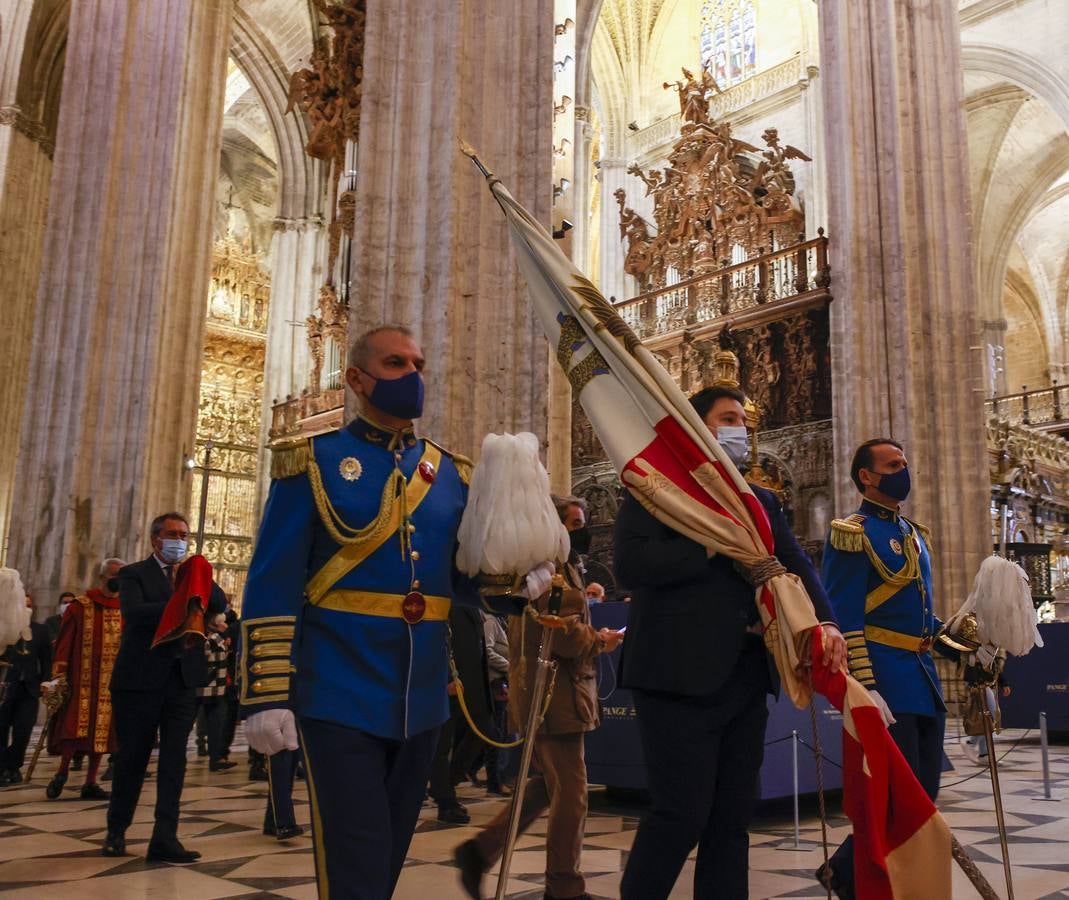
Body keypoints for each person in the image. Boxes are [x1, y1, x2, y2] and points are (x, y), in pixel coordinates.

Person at [240, 325, 530, 899]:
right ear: (356, 378)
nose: (412, 376)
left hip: (420, 696)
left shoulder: (450, 474)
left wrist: (519, 579)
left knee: (391, 849)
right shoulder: (314, 462)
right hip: (338, 690)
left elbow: (466, 584)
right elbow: (273, 580)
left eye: (418, 363)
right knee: (357, 855)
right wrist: (268, 693)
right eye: (396, 363)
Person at [613, 386, 845, 900]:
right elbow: (631, 567)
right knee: (680, 814)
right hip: (676, 672)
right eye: (727, 418)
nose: (739, 427)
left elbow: (795, 562)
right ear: (698, 427)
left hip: (744, 672)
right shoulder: (656, 486)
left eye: (743, 419)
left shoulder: (760, 500)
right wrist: (717, 543)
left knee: (731, 820)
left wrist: (827, 624)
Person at [455, 495, 624, 900]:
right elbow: (560, 633)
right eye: (576, 524)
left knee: (547, 787)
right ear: (555, 525)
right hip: (556, 693)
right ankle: (564, 886)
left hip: (553, 691)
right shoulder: (550, 569)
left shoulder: (547, 566)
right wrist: (600, 639)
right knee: (574, 793)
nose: (581, 532)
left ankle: (480, 850)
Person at [819, 438, 955, 899]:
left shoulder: (914, 533)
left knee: (923, 795)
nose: (904, 470)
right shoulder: (852, 532)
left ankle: (844, 871)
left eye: (904, 462)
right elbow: (844, 616)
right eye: (893, 464)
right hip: (887, 683)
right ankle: (866, 880)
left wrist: (962, 644)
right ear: (867, 476)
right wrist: (865, 685)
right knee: (897, 800)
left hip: (922, 677)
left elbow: (919, 617)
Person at [103, 512, 227, 862]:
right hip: (140, 680)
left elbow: (217, 604)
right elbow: (137, 614)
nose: (179, 540)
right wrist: (185, 602)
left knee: (175, 761)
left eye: (184, 534)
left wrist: (198, 579)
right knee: (133, 758)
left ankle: (165, 837)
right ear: (156, 539)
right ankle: (117, 830)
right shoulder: (133, 574)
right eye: (173, 534)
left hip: (182, 680)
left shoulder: (190, 575)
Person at [44, 558, 125, 800]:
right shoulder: (80, 606)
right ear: (102, 577)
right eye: (114, 576)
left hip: (111, 684)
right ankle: (62, 772)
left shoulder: (125, 608)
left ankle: (91, 781)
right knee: (73, 727)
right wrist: (59, 676)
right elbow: (64, 643)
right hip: (82, 679)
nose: (117, 581)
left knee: (103, 734)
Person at [428, 605, 493, 824]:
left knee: (486, 730)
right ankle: (445, 801)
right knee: (442, 745)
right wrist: (446, 677)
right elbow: (438, 636)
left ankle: (448, 781)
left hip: (473, 684)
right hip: (451, 682)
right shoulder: (446, 592)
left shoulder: (470, 598)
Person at [0, 596, 52, 785]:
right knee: (1, 728)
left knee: (23, 730)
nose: (26, 608)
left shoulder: (40, 630)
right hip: (6, 686)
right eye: (22, 605)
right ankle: (2, 768)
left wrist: (46, 681)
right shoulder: (4, 627)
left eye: (29, 605)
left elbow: (46, 659)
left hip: (29, 688)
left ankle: (13, 765)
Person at [196, 611, 236, 772]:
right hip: (211, 685)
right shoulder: (213, 638)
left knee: (215, 722)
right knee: (215, 721)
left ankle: (215, 757)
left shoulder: (213, 637)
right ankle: (215, 757)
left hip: (214, 685)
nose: (225, 625)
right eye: (222, 622)